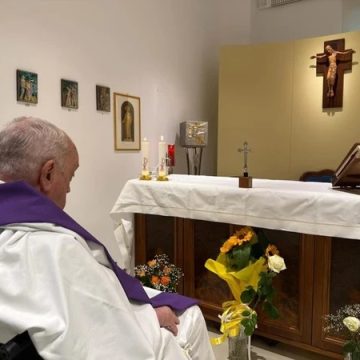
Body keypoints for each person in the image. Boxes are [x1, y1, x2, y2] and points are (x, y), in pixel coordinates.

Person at [0, 117, 215, 359]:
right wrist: (149, 317)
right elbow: (104, 334)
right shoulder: (53, 246)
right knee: (191, 316)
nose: (69, 190)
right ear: (48, 174)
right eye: (70, 177)